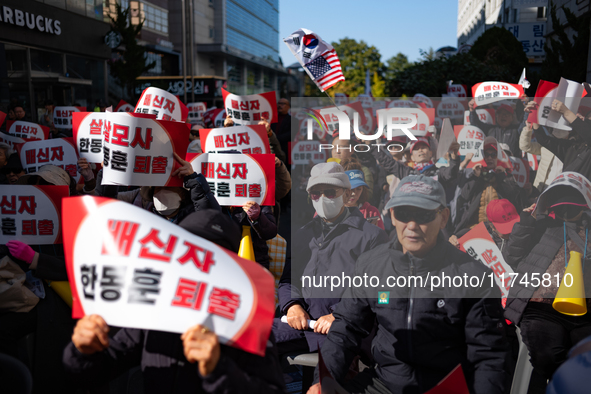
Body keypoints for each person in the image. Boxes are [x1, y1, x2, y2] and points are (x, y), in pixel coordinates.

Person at [308, 174, 509, 394]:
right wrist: (322, 380)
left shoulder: (475, 276)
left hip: (447, 386)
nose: (412, 225)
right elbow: (344, 330)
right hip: (384, 383)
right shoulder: (370, 265)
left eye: (423, 215)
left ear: (443, 217)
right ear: (392, 216)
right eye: (404, 214)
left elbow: (488, 356)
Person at [62, 209, 287, 394]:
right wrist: (83, 351)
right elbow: (95, 371)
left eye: (210, 255)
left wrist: (218, 369)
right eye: (186, 250)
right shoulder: (155, 310)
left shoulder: (247, 318)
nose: (195, 263)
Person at [274, 162, 387, 356]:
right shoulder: (303, 234)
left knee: (327, 379)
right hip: (304, 324)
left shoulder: (372, 236)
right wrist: (292, 306)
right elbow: (289, 280)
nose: (323, 198)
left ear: (346, 194)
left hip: (347, 329)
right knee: (249, 340)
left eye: (330, 192)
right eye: (316, 193)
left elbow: (379, 291)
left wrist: (338, 315)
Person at [1, 165, 85, 393]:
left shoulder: (80, 220)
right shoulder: (21, 218)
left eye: (47, 187)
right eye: (36, 185)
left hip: (65, 304)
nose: (40, 191)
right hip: (28, 295)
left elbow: (83, 268)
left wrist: (36, 259)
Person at [503, 176, 591, 393]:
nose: (567, 213)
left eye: (573, 208)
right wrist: (527, 220)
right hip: (540, 307)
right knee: (548, 355)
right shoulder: (541, 226)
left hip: (584, 313)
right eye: (562, 208)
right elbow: (511, 255)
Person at [453, 137, 526, 235]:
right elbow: (464, 196)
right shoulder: (475, 176)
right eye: (486, 155)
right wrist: (475, 177)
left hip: (499, 230)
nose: (489, 158)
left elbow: (515, 197)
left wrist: (502, 176)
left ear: (499, 157)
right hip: (474, 227)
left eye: (493, 155)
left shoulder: (505, 176)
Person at [341, 159, 385, 230]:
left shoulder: (372, 213)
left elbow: (382, 239)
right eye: (350, 188)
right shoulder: (327, 211)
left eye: (359, 189)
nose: (354, 193)